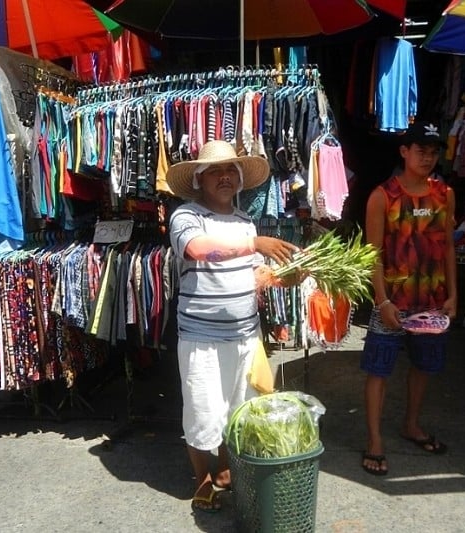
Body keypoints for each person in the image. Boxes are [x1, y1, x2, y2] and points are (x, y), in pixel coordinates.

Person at [166, 140, 300, 513]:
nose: (224, 177)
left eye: (231, 171)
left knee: (239, 407)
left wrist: (287, 276)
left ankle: (225, 468)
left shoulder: (244, 221)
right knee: (202, 410)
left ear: (240, 179)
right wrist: (254, 243)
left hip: (245, 334)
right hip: (201, 337)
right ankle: (202, 479)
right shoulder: (186, 216)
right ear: (199, 179)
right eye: (215, 171)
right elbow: (199, 250)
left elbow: (255, 274)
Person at [360, 121, 457, 476]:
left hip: (432, 300)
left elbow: (447, 244)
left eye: (433, 152)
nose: (428, 158)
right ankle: (374, 439)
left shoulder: (443, 193)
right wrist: (382, 302)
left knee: (424, 366)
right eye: (421, 151)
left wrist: (453, 295)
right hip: (393, 301)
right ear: (404, 151)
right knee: (378, 369)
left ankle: (411, 424)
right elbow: (372, 254)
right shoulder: (382, 196)